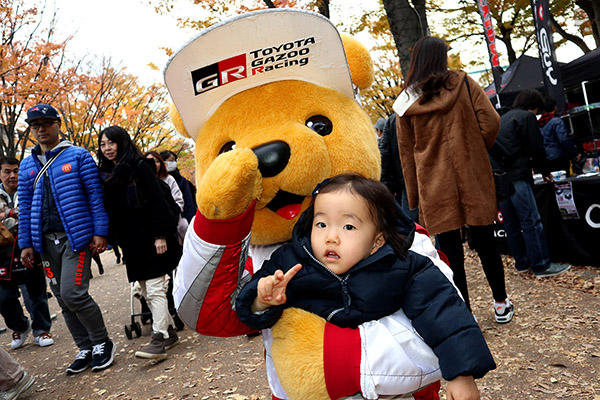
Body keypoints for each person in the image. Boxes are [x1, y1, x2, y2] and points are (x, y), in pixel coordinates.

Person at [236, 174, 496, 400]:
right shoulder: (291, 263)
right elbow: (246, 307)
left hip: (390, 390)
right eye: (321, 224)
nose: (331, 236)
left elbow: (443, 312)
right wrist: (262, 300)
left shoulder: (402, 267)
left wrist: (462, 374)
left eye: (348, 226)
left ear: (377, 240)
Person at [393, 36, 513, 322]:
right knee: (486, 242)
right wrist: (474, 150)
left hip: (434, 185)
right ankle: (500, 304)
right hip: (472, 177)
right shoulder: (464, 83)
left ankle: (464, 313)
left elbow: (406, 153)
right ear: (441, 58)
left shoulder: (406, 101)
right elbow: (492, 121)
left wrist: (414, 197)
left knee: (448, 251)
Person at [18, 104, 115, 374]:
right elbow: (24, 207)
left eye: (46, 123)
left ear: (57, 124)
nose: (40, 129)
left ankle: (102, 343)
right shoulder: (27, 164)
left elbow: (95, 196)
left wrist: (100, 232)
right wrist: (26, 243)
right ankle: (83, 347)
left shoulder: (79, 155)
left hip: (76, 238)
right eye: (35, 125)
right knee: (61, 298)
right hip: (44, 244)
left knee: (74, 293)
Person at [98, 126, 180, 360]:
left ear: (122, 142)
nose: (107, 149)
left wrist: (160, 235)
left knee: (155, 289)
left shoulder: (140, 166)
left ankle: (158, 339)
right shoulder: (106, 173)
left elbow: (157, 202)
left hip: (152, 237)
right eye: (103, 144)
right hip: (130, 241)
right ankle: (170, 332)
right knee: (143, 289)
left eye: (111, 143)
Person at [493, 90, 571, 277]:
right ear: (534, 106)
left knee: (511, 224)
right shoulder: (526, 117)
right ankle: (541, 265)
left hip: (499, 177)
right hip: (518, 175)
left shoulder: (501, 119)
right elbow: (536, 148)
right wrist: (545, 172)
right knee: (531, 221)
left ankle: (522, 263)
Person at [0, 157, 54, 349]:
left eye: (15, 171)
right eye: (7, 171)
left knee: (36, 292)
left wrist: (6, 215)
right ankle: (20, 327)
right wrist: (17, 213)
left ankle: (42, 330)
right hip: (2, 253)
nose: (12, 175)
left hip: (29, 245)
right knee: (4, 297)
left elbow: (35, 213)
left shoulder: (29, 189)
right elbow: (24, 214)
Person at [378, 113, 418, 221]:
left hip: (407, 180)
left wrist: (389, 186)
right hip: (430, 178)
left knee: (411, 225)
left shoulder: (394, 119)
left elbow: (385, 154)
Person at [145, 151, 188, 244]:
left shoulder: (169, 179)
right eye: (150, 161)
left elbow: (179, 201)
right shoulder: (140, 182)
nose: (154, 164)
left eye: (156, 161)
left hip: (173, 224)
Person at [540, 96, 581, 175]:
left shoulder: (539, 123)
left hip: (546, 158)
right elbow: (564, 140)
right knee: (565, 181)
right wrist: (574, 153)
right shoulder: (556, 121)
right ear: (554, 107)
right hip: (559, 157)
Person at [159, 150, 197, 223]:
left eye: (175, 160)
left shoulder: (182, 181)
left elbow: (189, 203)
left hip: (182, 219)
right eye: (171, 160)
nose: (174, 163)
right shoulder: (156, 179)